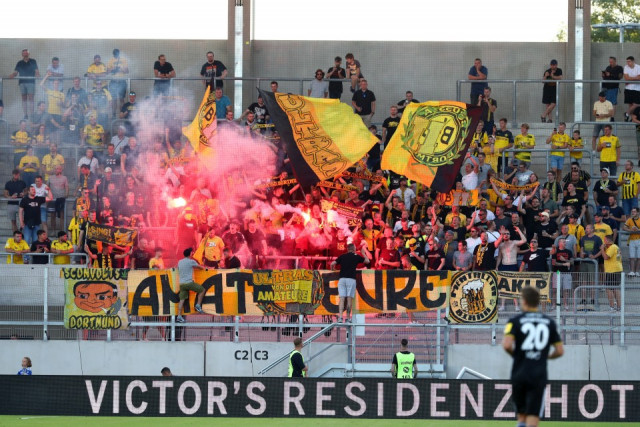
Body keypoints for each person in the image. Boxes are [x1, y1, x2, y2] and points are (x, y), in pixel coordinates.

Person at [502, 287, 563, 427]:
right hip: (538, 375)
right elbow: (560, 351)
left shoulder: (514, 321)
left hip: (519, 374)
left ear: (524, 301)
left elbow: (506, 345)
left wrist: (517, 356)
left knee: (521, 417)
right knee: (533, 419)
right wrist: (546, 357)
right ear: (537, 301)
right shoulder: (549, 322)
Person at [330, 241, 371, 323]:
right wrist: (363, 253)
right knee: (349, 299)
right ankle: (348, 318)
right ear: (354, 249)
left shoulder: (342, 256)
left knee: (342, 298)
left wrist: (333, 269)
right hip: (351, 279)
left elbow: (332, 263)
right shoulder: (356, 256)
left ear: (347, 249)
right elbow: (367, 261)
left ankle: (340, 317)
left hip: (342, 279)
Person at [176, 248, 206, 323]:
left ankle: (179, 316)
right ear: (190, 254)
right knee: (202, 290)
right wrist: (204, 267)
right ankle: (198, 305)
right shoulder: (191, 261)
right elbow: (200, 268)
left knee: (182, 300)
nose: (193, 254)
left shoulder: (180, 262)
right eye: (192, 253)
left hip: (182, 284)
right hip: (189, 283)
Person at [9, 49, 40, 119]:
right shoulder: (19, 63)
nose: (25, 54)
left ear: (28, 54)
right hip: (22, 82)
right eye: (24, 53)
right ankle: (25, 114)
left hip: (31, 82)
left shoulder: (33, 61)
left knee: (31, 98)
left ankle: (32, 114)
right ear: (22, 54)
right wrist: (12, 75)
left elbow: (36, 71)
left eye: (26, 53)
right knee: (24, 98)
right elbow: (16, 72)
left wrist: (37, 74)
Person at [602, 234, 623, 311]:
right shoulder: (615, 247)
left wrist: (602, 249)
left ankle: (612, 306)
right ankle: (619, 306)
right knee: (614, 288)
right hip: (616, 269)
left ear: (607, 240)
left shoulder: (612, 247)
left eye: (604, 240)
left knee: (609, 289)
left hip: (612, 270)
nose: (604, 242)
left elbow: (606, 257)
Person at [623, 207, 640, 277]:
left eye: (634, 211)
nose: (633, 213)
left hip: (639, 239)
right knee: (632, 257)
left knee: (639, 257)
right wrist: (630, 230)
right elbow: (624, 227)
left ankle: (637, 271)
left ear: (638, 212)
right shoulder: (629, 220)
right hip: (632, 239)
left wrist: (638, 230)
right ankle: (632, 271)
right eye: (632, 211)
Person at [623, 56, 640, 122]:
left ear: (633, 61)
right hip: (628, 88)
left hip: (637, 89)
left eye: (629, 61)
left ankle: (627, 114)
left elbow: (639, 77)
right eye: (627, 61)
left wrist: (630, 79)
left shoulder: (638, 67)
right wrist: (635, 78)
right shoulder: (626, 67)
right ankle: (632, 119)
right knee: (630, 105)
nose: (628, 63)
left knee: (636, 104)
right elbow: (626, 78)